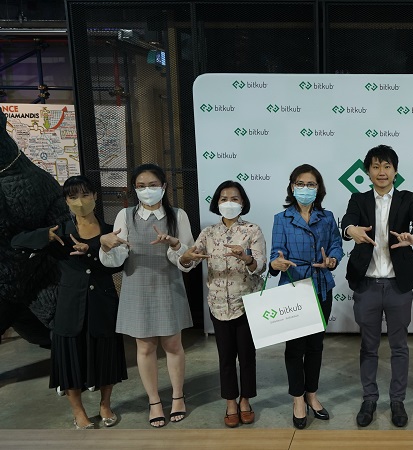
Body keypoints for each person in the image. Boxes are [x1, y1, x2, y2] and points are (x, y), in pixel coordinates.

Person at [12, 175, 127, 429]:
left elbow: (119, 265)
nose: (80, 201)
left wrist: (97, 249)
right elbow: (16, 242)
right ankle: (78, 412)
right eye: (73, 197)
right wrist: (43, 236)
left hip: (103, 302)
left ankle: (105, 405)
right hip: (69, 304)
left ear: (95, 196)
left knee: (106, 355)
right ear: (66, 201)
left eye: (85, 195)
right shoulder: (59, 232)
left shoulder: (111, 231)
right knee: (70, 358)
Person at [99, 163, 194, 428]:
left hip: (168, 285)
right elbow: (116, 259)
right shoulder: (125, 215)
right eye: (141, 186)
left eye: (152, 185)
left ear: (164, 187)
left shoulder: (178, 215)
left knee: (173, 345)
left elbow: (188, 259)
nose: (147, 190)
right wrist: (106, 247)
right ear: (134, 189)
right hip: (136, 287)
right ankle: (154, 401)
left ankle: (178, 396)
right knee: (145, 347)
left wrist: (175, 245)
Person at [341, 145, 413, 428]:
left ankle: (397, 401)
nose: (381, 172)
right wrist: (350, 230)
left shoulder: (407, 198)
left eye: (387, 166)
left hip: (398, 286)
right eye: (376, 166)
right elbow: (348, 222)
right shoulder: (358, 199)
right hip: (366, 284)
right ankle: (369, 399)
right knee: (369, 346)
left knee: (399, 346)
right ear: (368, 171)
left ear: (395, 171)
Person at [181, 180, 266, 428]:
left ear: (243, 203)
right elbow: (191, 259)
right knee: (225, 356)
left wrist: (246, 258)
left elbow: (260, 266)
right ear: (217, 203)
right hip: (218, 304)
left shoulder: (252, 230)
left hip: (247, 302)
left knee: (247, 356)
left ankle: (245, 400)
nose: (229, 203)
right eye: (224, 199)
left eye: (235, 199)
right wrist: (184, 256)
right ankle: (230, 402)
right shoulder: (208, 233)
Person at [269, 164, 343, 430]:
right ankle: (297, 399)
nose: (305, 189)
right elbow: (276, 252)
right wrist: (276, 263)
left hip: (321, 286)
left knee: (315, 346)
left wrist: (332, 260)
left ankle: (312, 394)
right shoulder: (282, 218)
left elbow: (336, 244)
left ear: (318, 189)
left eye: (311, 184)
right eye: (300, 184)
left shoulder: (327, 216)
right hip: (294, 287)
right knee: (294, 348)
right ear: (292, 187)